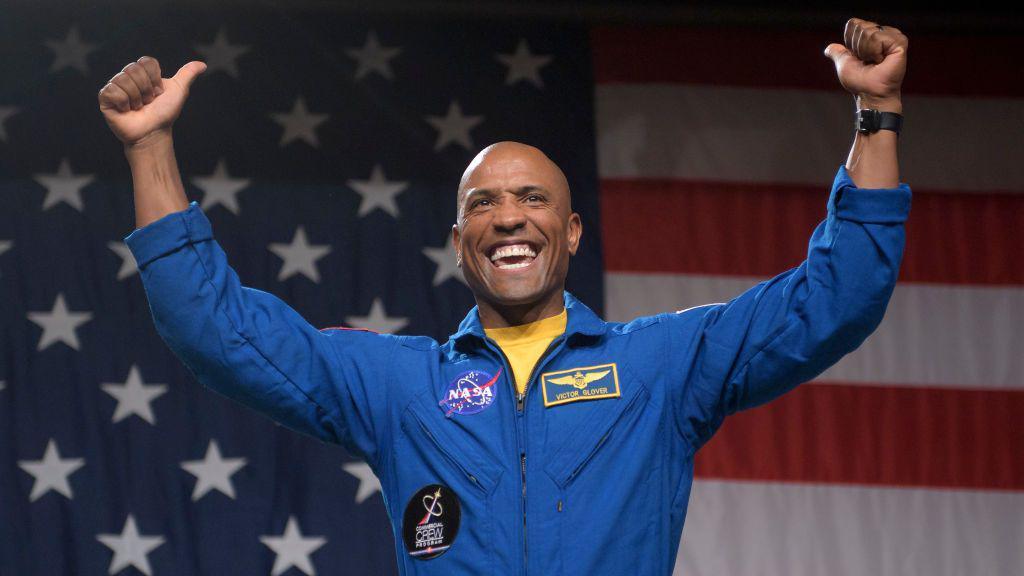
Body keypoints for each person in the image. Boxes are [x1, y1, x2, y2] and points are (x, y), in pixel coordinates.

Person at [98, 17, 910, 576]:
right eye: (483, 204)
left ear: (573, 232)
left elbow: (836, 299)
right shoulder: (399, 386)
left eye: (532, 199)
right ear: (460, 243)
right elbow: (219, 332)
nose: (510, 217)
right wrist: (150, 147)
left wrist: (876, 111)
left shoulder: (662, 366)